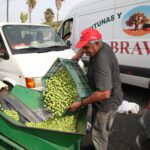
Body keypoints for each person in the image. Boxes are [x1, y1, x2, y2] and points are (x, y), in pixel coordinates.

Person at [69, 28, 123, 150]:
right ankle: (95, 144)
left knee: (100, 131)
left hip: (106, 103)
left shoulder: (101, 61)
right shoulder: (100, 46)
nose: (85, 51)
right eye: (84, 48)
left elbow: (104, 93)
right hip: (100, 99)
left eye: (86, 48)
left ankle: (98, 146)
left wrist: (80, 103)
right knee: (95, 126)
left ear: (97, 43)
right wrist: (80, 52)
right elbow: (84, 50)